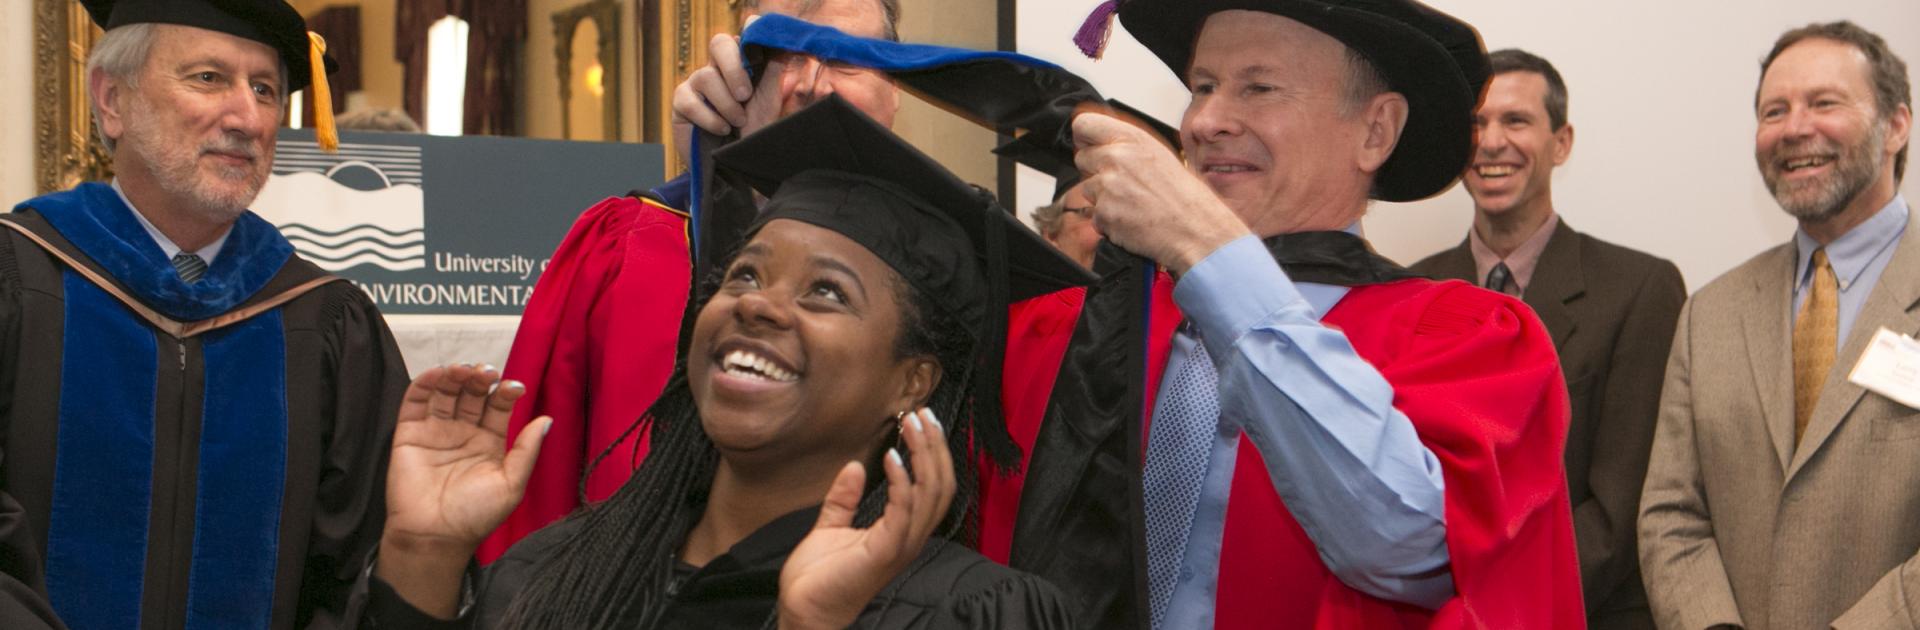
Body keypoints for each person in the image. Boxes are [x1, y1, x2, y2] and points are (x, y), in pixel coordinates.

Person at [362, 96, 1088, 629]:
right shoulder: (555, 570)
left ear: (911, 381)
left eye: (825, 293)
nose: (759, 306)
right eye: (743, 275)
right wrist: (420, 553)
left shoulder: (972, 614)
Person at [992, 0, 1585, 627]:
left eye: (1260, 87)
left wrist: (1210, 255)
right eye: (1203, 86)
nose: (1205, 121)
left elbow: (1413, 549)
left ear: (1375, 131)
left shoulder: (1467, 338)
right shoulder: (1072, 330)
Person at [0, 1, 406, 628]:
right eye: (209, 78)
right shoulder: (18, 275)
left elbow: (355, 572)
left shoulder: (325, 321)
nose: (247, 117)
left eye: (265, 89)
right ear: (112, 101)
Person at [481, 0, 904, 560]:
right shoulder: (624, 247)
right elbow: (533, 509)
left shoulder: (962, 276)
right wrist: (723, 184)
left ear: (897, 87)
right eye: (778, 54)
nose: (811, 85)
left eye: (847, 57)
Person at [1638, 20, 1914, 630]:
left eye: (1824, 103)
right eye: (1774, 111)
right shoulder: (1709, 313)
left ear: (1896, 125)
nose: (1794, 129)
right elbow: (1670, 513)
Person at [1408, 48, 1685, 629]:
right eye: (1476, 125)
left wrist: (1493, 610)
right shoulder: (1412, 292)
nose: (1490, 143)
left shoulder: (1640, 289)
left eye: (1515, 121)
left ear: (1562, 142)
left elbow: (1620, 508)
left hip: (1582, 611)